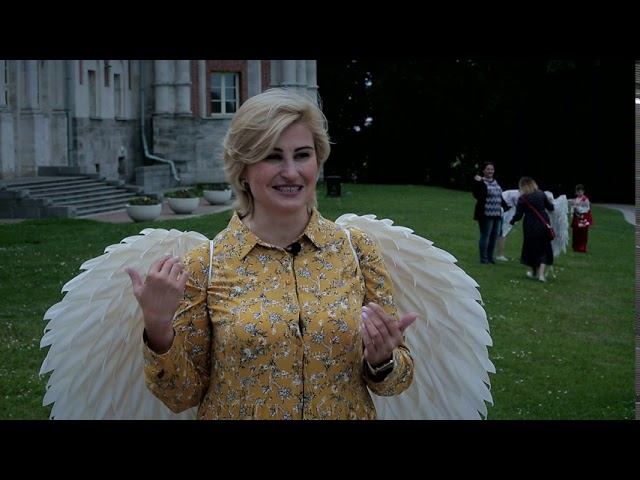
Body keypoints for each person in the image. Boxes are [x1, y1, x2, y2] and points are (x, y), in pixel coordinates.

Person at [125, 88, 417, 420]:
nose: (291, 172)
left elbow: (398, 379)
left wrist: (383, 361)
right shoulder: (204, 265)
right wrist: (158, 327)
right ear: (243, 169)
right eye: (273, 156)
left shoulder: (356, 249)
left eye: (302, 155)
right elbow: (182, 396)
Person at [509, 176, 555, 282]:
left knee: (531, 248)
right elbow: (551, 208)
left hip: (530, 225)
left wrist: (512, 221)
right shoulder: (541, 194)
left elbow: (518, 215)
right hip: (544, 223)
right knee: (544, 248)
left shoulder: (523, 198)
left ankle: (534, 271)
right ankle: (541, 275)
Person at [472, 162, 509, 264]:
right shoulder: (480, 182)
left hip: (497, 213)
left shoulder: (496, 182)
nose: (490, 171)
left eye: (492, 169)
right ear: (483, 170)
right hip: (485, 213)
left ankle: (490, 257)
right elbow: (478, 195)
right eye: (488, 169)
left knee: (494, 236)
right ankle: (484, 259)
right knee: (486, 235)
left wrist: (505, 206)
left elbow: (499, 196)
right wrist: (480, 182)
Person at [495, 188, 521, 261]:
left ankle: (497, 254)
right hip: (505, 211)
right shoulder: (517, 196)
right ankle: (500, 255)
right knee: (503, 234)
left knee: (501, 233)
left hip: (502, 209)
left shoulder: (514, 193)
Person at [570, 183, 592, 253]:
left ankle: (582, 248)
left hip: (583, 218)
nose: (579, 193)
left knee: (583, 233)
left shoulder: (585, 199)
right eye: (578, 191)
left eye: (581, 191)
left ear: (583, 191)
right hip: (576, 218)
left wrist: (579, 209)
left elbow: (587, 208)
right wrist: (573, 210)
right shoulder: (575, 199)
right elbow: (572, 207)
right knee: (575, 232)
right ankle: (575, 247)